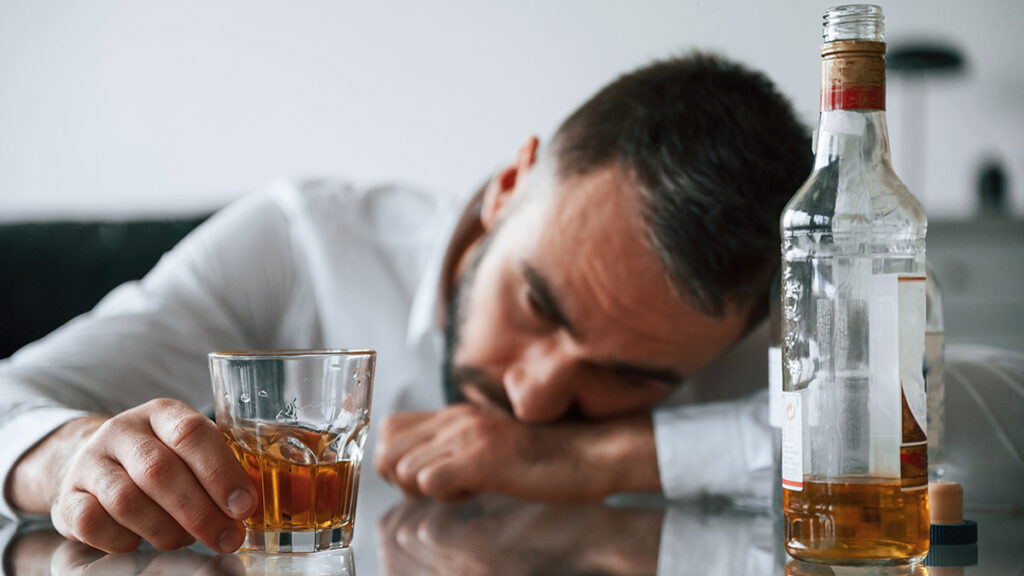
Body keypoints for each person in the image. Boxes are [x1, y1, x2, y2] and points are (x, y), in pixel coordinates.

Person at [0, 53, 812, 554]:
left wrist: (587, 459)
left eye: (629, 377)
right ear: (509, 186)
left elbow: (892, 446)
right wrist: (71, 457)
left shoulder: (771, 322)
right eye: (538, 303)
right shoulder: (301, 242)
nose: (533, 398)